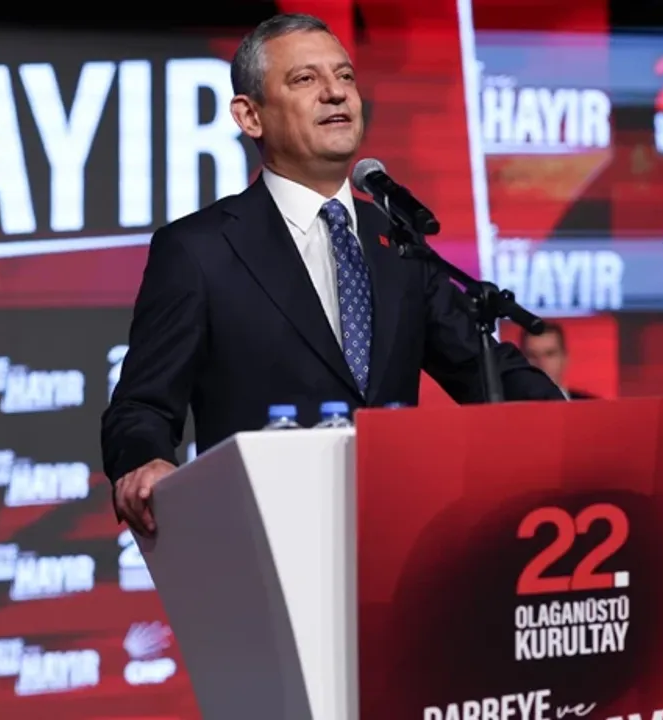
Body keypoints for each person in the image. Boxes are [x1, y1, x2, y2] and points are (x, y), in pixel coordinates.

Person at [101, 13, 563, 536]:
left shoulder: (397, 240)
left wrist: (578, 426)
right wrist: (143, 460)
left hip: (399, 537)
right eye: (305, 79)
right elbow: (140, 405)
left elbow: (483, 370)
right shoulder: (200, 250)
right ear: (250, 116)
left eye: (345, 76)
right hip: (265, 540)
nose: (335, 92)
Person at [520, 322, 597, 400]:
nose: (541, 363)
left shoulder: (594, 405)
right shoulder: (512, 406)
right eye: (532, 355)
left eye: (549, 354)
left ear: (564, 359)